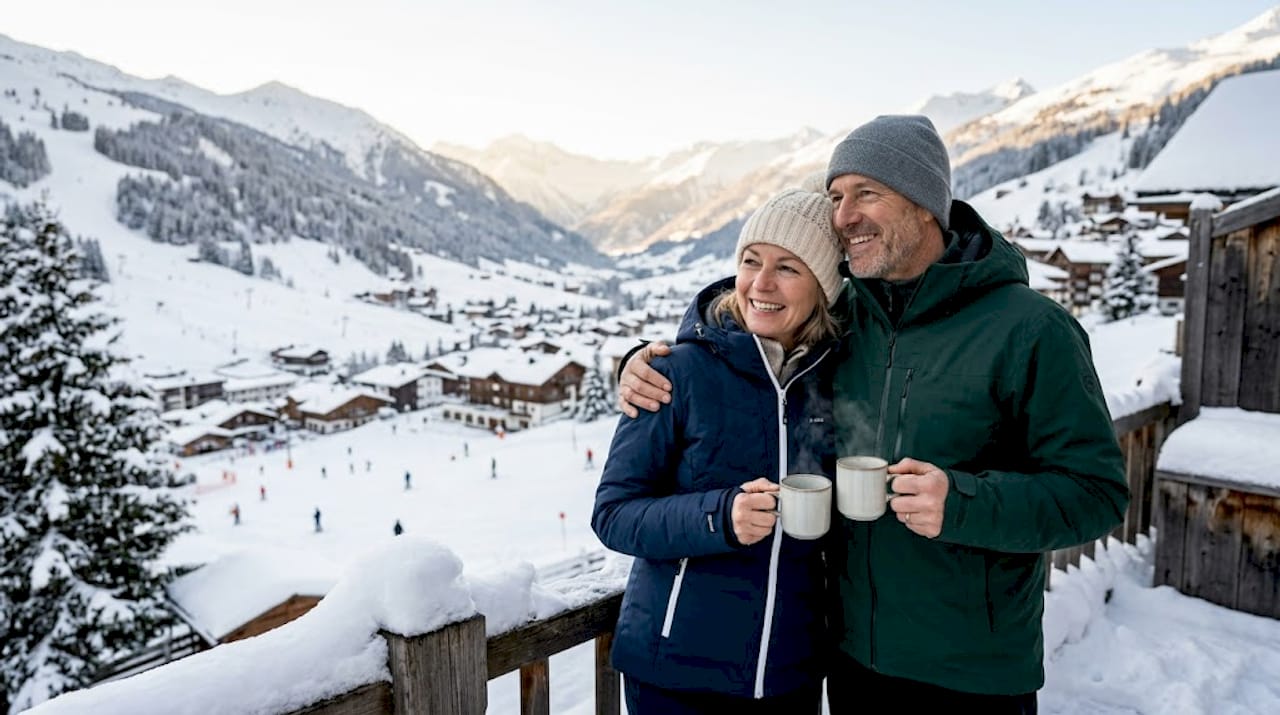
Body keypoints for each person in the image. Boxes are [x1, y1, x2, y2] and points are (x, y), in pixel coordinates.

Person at [617, 115, 1128, 712]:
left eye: (867, 193)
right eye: (836, 196)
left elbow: (1096, 494)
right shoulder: (845, 320)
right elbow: (752, 319)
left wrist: (962, 502)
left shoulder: (1032, 329)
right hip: (851, 663)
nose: (844, 216)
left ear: (925, 204)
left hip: (972, 672)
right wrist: (646, 362)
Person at [592, 186, 846, 714]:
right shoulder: (675, 372)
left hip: (789, 676)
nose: (761, 283)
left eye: (787, 267)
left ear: (823, 286)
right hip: (676, 677)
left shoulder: (834, 379)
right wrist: (719, 516)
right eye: (751, 261)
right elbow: (613, 514)